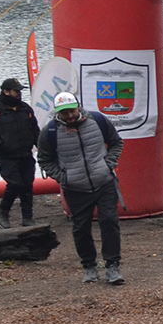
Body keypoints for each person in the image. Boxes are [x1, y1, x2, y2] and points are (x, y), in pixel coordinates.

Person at [37, 92, 125, 285]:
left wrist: (108, 164)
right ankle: (89, 266)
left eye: (71, 111)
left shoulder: (99, 120)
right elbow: (44, 159)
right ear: (57, 113)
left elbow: (116, 142)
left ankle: (112, 266)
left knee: (109, 221)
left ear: (78, 106)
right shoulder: (50, 131)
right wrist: (62, 177)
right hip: (75, 188)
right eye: (64, 113)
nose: (69, 116)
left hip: (104, 182)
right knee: (81, 228)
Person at [0, 77, 40, 228]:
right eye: (16, 91)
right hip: (5, 155)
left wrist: (42, 148)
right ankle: (3, 212)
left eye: (20, 91)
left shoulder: (25, 109)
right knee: (14, 184)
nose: (19, 94)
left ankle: (27, 217)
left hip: (25, 153)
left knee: (27, 185)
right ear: (6, 91)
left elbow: (35, 130)